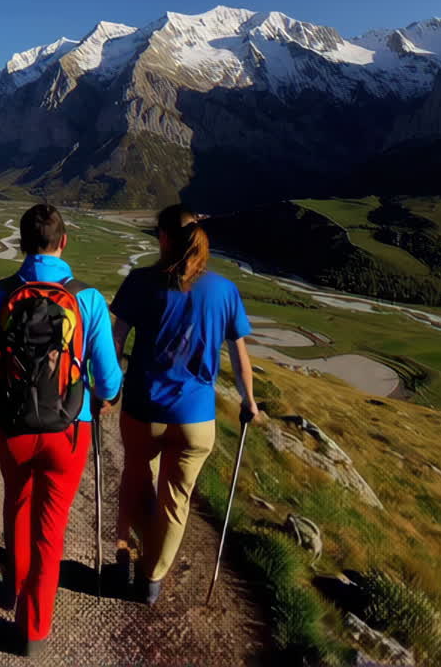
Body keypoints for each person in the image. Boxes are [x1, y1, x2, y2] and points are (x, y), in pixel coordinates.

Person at [0, 203, 122, 656]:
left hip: (11, 426)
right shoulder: (87, 299)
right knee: (49, 529)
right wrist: (104, 396)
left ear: (21, 242)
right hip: (68, 431)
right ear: (63, 242)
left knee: (17, 502)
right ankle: (33, 630)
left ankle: (11, 587)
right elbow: (109, 379)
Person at [109, 204, 259, 606]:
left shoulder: (141, 281)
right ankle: (151, 580)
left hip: (143, 409)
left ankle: (127, 549)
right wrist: (249, 401)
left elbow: (116, 339)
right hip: (196, 418)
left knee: (138, 478)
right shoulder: (225, 290)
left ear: (162, 238)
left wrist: (107, 385)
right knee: (175, 502)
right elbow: (241, 356)